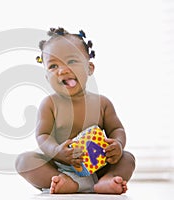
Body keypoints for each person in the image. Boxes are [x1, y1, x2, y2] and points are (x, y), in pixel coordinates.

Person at [15, 27, 135, 194]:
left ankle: (107, 180)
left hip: (98, 166)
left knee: (128, 159)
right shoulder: (49, 104)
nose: (62, 70)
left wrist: (117, 145)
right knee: (24, 161)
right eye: (53, 66)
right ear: (46, 76)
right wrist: (57, 151)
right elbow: (43, 136)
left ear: (89, 68)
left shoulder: (102, 103)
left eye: (71, 61)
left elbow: (117, 129)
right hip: (60, 166)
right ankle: (65, 182)